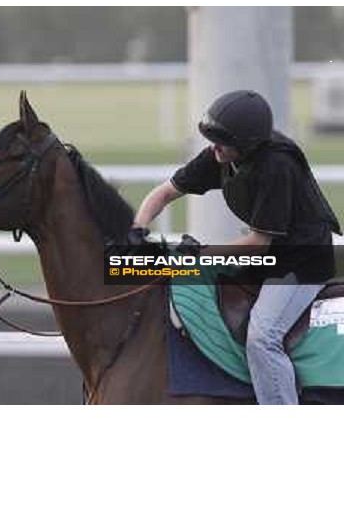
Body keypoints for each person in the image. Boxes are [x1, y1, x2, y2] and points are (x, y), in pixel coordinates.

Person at [133, 90, 341, 405]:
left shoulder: (277, 166)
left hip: (302, 262)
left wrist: (198, 256)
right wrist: (138, 229)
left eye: (222, 141)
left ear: (248, 145)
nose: (213, 146)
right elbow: (163, 194)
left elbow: (257, 244)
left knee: (263, 338)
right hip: (269, 255)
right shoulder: (219, 156)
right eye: (212, 138)